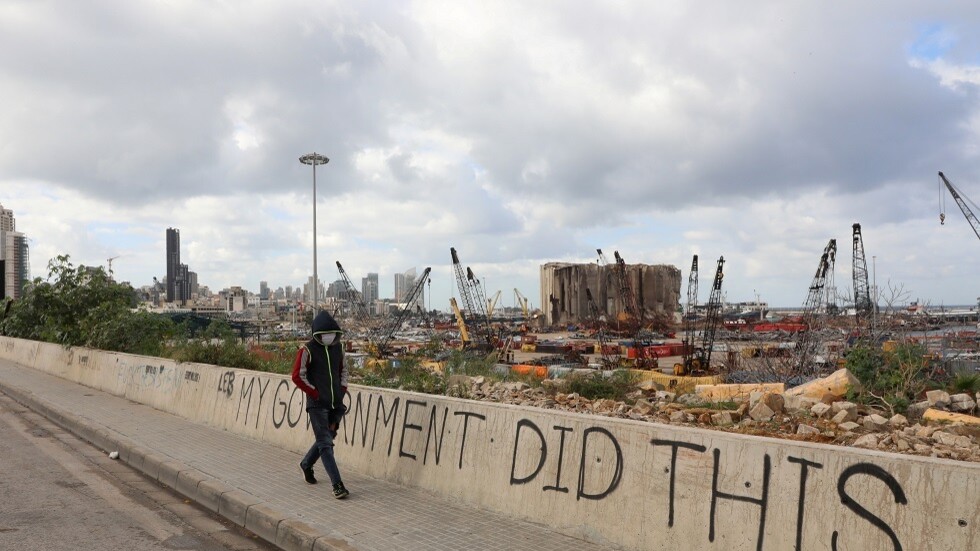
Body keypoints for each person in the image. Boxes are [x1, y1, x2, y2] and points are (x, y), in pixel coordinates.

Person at [291, 310, 350, 499]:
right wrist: (314, 393)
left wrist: (341, 391)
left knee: (329, 435)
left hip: (335, 403)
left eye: (331, 333)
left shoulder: (338, 349)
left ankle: (306, 463)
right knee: (326, 443)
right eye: (324, 333)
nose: (328, 336)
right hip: (317, 405)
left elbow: (344, 372)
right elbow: (297, 376)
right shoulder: (307, 350)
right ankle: (337, 484)